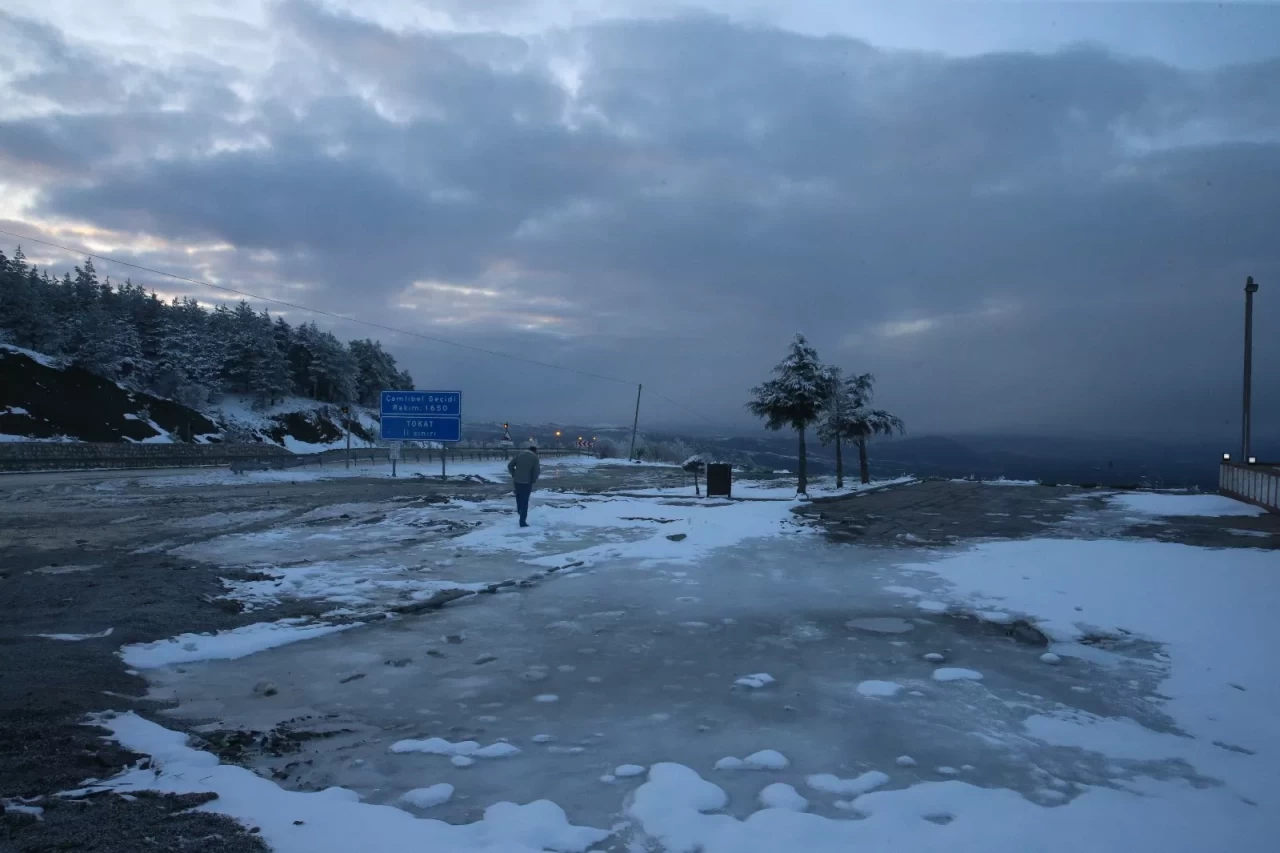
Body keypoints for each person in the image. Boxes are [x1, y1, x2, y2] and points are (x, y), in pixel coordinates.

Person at [507, 444, 540, 527]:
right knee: (525, 501)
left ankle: (519, 509)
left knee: (518, 496)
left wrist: (514, 474)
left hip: (517, 481)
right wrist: (533, 480)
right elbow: (536, 471)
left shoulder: (519, 454)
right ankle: (522, 521)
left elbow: (510, 465)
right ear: (535, 451)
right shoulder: (535, 458)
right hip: (527, 482)